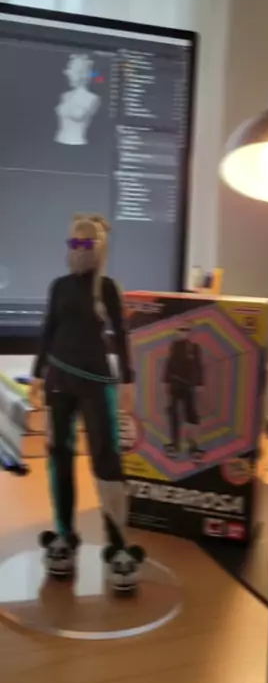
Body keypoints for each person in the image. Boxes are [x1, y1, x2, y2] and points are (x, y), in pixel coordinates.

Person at [29, 213, 144, 591]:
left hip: (97, 385)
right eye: (73, 243)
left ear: (99, 248)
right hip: (59, 382)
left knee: (107, 460)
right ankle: (64, 537)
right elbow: (48, 330)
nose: (78, 250)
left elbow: (122, 335)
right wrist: (37, 374)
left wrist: (128, 379)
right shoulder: (59, 286)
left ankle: (118, 546)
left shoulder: (107, 288)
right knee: (59, 457)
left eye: (86, 243)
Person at [163, 321, 205, 458]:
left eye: (186, 330)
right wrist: (167, 381)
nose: (183, 332)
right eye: (180, 330)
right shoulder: (174, 345)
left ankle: (193, 446)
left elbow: (198, 365)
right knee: (174, 414)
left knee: (191, 415)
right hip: (175, 384)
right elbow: (169, 363)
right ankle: (175, 444)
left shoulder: (194, 347)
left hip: (188, 385)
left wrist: (199, 383)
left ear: (190, 332)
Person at [55, 54, 100, 146]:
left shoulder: (92, 98)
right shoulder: (65, 96)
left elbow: (80, 115)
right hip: (59, 141)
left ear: (81, 73)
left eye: (71, 71)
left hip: (77, 143)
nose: (68, 74)